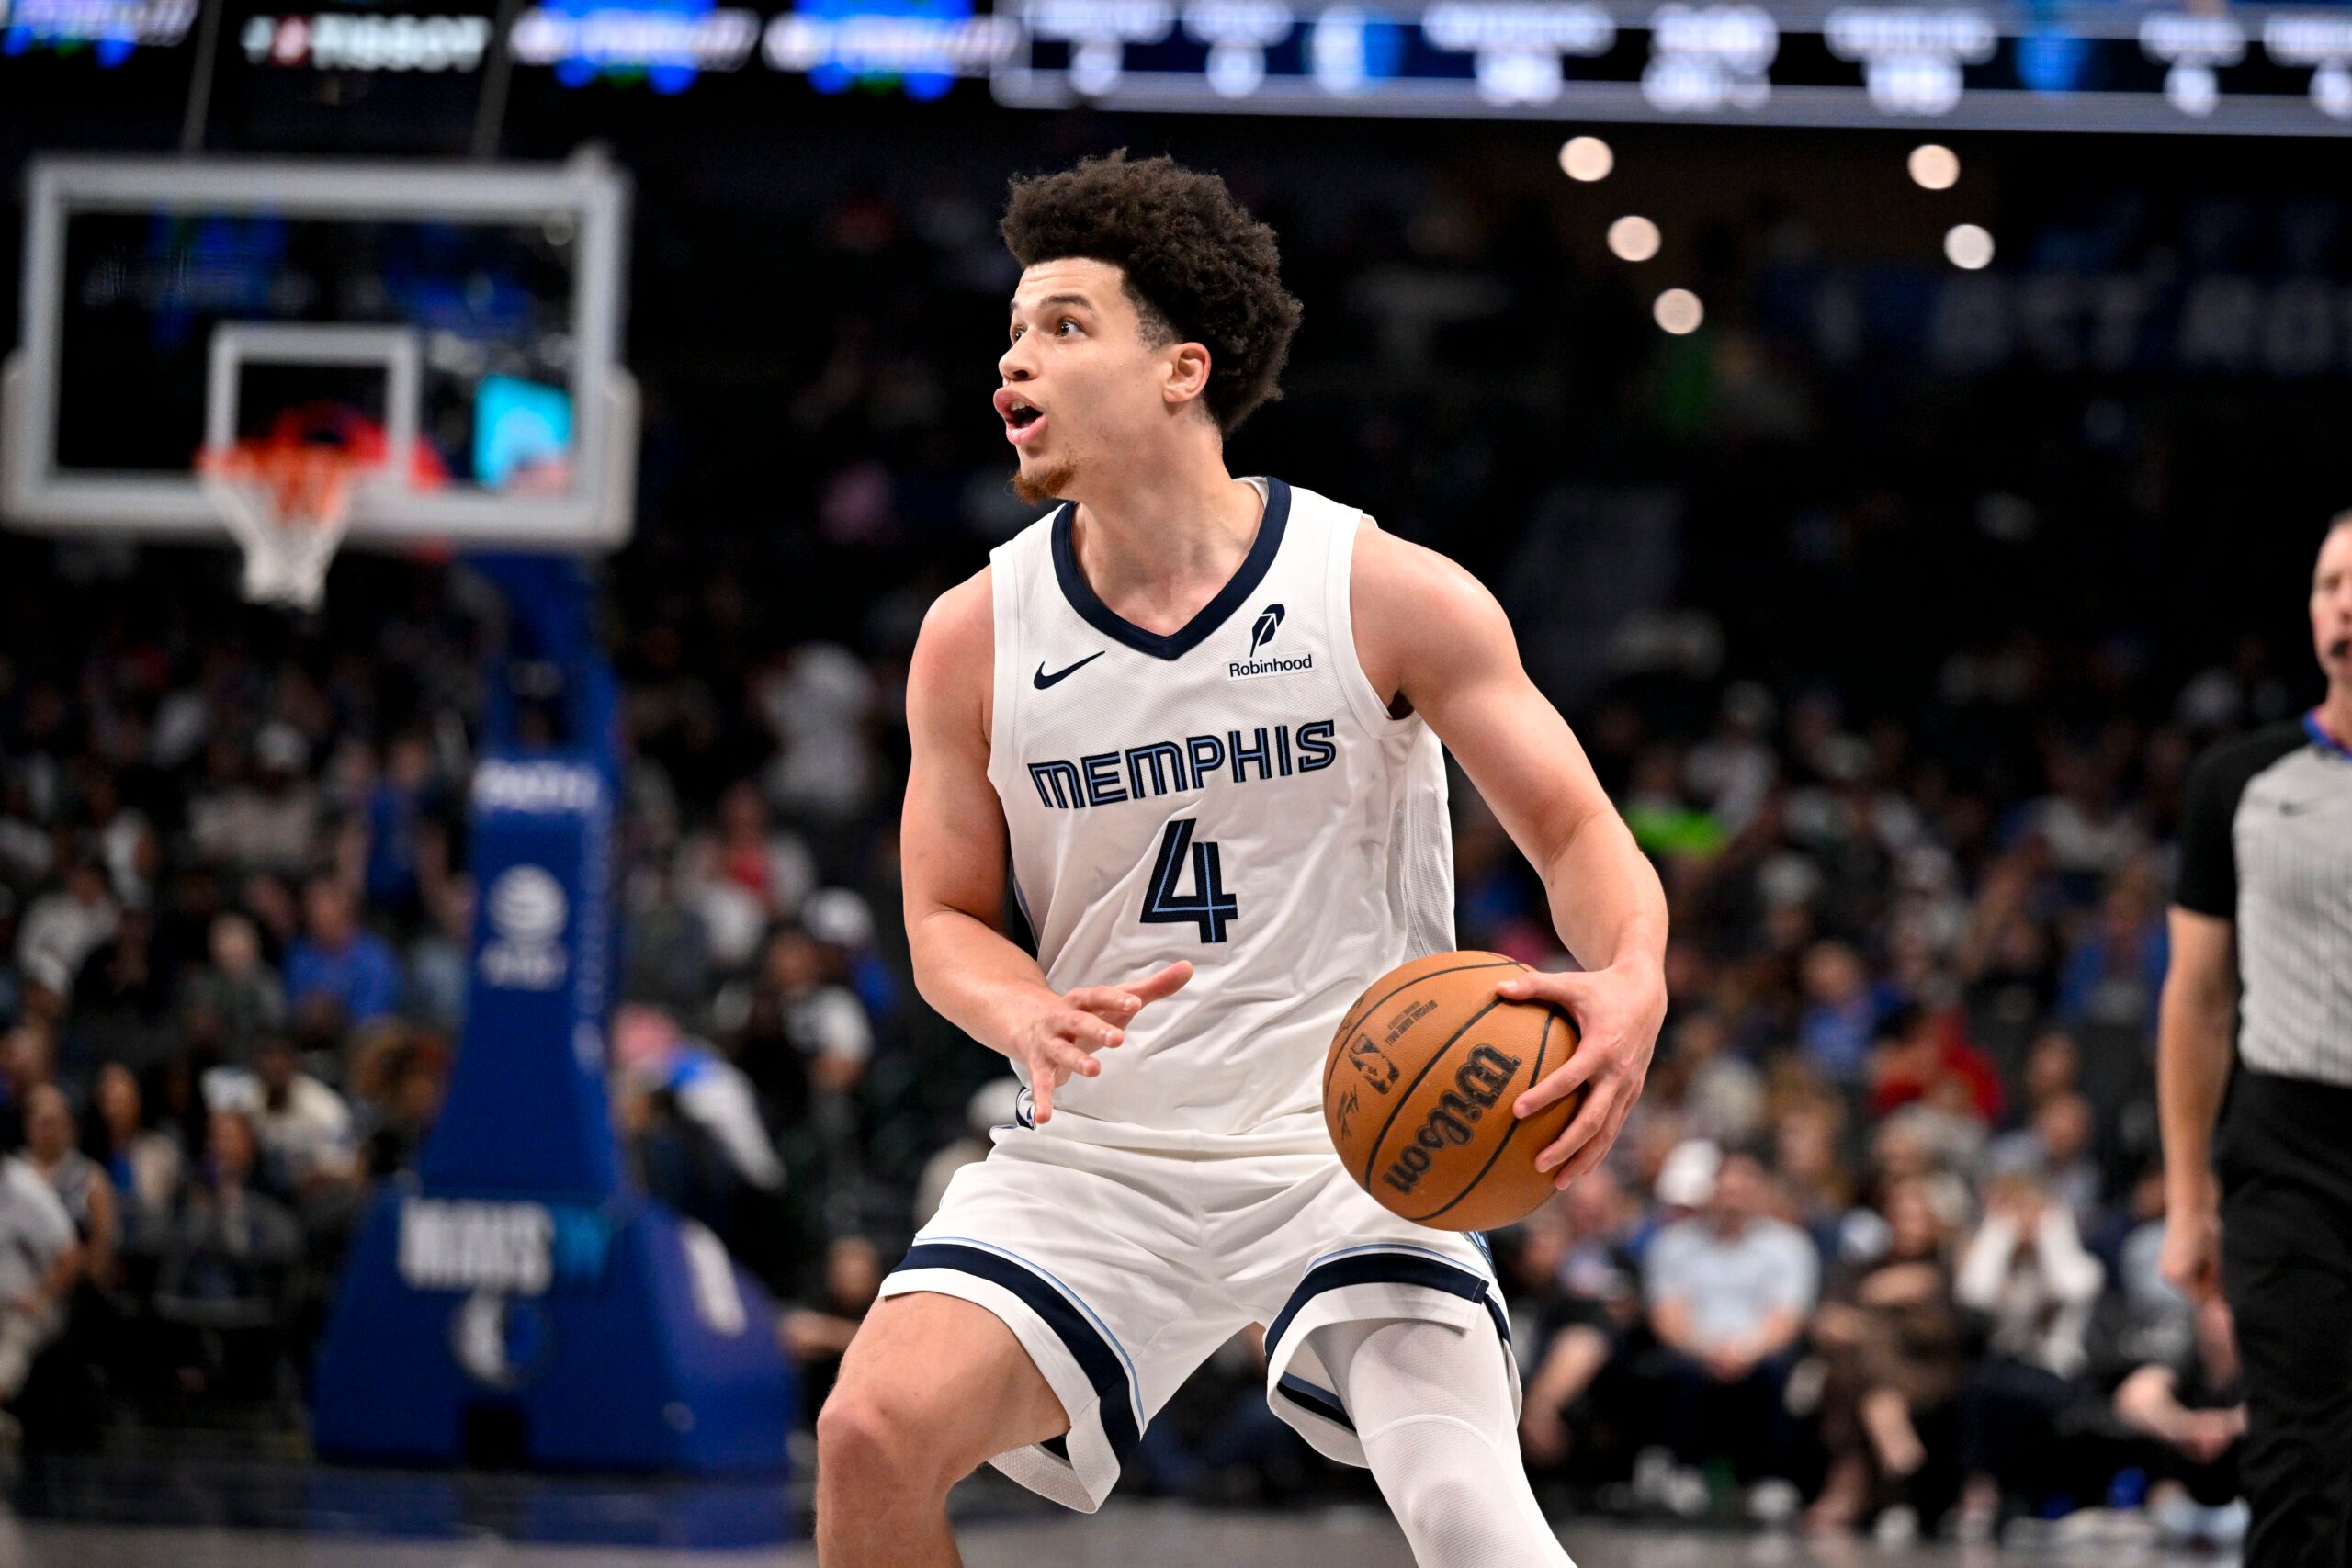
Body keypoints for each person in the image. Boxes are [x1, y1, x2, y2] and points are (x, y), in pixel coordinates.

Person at [817, 152, 1670, 1567]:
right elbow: (945, 918)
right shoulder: (973, 634)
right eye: (1014, 330)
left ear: (1180, 369)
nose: (1014, 358)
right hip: (1103, 1153)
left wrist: (1632, 976)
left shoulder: (1381, 589)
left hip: (1358, 1143)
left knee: (1470, 1515)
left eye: (1064, 325)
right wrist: (1020, 1006)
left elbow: (1582, 832)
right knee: (866, 1434)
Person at [2159, 513, 2352, 1568]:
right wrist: (2189, 1205)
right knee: (2297, 1465)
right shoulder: (2236, 784)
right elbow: (2193, 1006)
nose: (2346, 604)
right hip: (2286, 1154)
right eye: (2330, 584)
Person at [1638, 1150, 1817, 1506]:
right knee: (1678, 1370)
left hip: (1759, 1350)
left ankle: (1771, 1480)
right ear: (1710, 1190)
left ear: (1760, 1190)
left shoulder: (1788, 1246)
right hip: (1695, 1348)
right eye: (1726, 1188)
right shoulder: (1673, 1244)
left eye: (1743, 1187)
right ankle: (1685, 1471)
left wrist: (1744, 1351)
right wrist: (1707, 1349)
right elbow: (1667, 1315)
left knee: (1777, 1370)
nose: (1733, 1197)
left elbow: (1787, 1317)